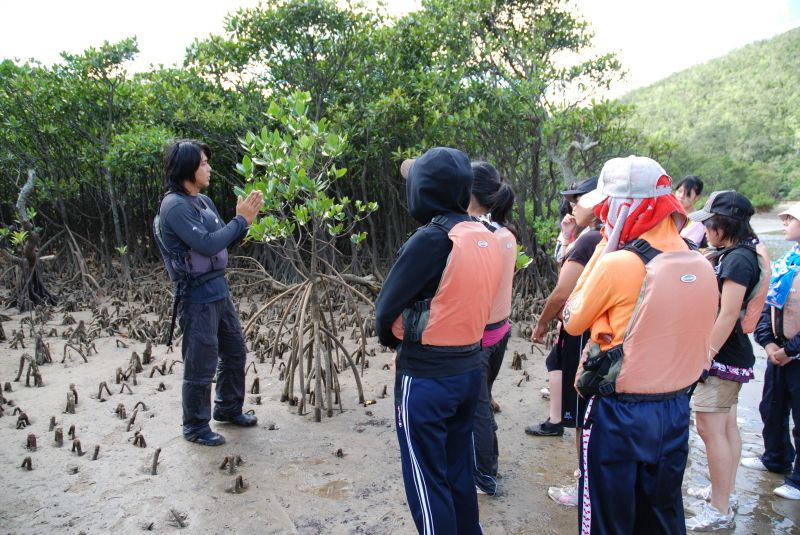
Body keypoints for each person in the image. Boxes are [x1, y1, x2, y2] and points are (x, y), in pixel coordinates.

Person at [562, 156, 718, 534]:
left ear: (624, 207)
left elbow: (572, 320)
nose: (602, 215)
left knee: (607, 519)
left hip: (620, 414)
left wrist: (603, 249)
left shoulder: (621, 263)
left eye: (607, 207)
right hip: (675, 409)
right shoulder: (699, 262)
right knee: (661, 516)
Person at [375, 147, 503, 534]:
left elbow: (384, 311)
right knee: (457, 471)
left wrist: (395, 340)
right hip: (468, 372)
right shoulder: (487, 235)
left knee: (427, 482)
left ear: (424, 190)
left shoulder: (431, 239)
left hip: (427, 379)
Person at [153, 139, 264, 446]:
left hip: (218, 288)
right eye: (203, 163)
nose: (209, 168)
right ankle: (195, 426)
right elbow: (207, 244)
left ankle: (228, 408)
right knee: (200, 362)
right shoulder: (174, 206)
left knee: (234, 351)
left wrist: (245, 221)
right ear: (188, 168)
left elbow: (222, 239)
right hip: (196, 295)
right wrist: (240, 219)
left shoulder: (203, 201)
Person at [684, 190, 763, 530]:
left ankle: (719, 509)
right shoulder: (738, 253)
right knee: (726, 427)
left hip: (722, 356)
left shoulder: (736, 261)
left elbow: (729, 313)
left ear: (724, 224)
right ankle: (724, 492)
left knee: (709, 428)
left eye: (710, 223)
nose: (706, 230)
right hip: (734, 355)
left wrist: (706, 356)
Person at [526, 177, 605, 508]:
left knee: (582, 415)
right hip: (603, 335)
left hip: (582, 333)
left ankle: (583, 488)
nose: (573, 206)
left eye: (578, 201)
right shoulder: (607, 239)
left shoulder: (591, 242)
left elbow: (562, 291)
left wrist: (543, 321)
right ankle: (593, 481)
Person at [743, 202, 800, 500]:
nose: (785, 223)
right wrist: (768, 342)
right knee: (772, 407)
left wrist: (792, 349)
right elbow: (769, 305)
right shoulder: (789, 261)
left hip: (795, 354)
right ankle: (775, 457)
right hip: (778, 350)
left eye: (791, 219)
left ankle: (799, 479)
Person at [467, 161, 517, 496]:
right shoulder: (506, 234)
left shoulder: (480, 236)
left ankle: (485, 474)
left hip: (481, 338)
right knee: (480, 402)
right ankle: (483, 463)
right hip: (500, 331)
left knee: (478, 408)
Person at [674, 175, 705, 247]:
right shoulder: (668, 214)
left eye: (687, 194)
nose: (681, 196)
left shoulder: (698, 222)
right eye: (679, 191)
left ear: (697, 197)